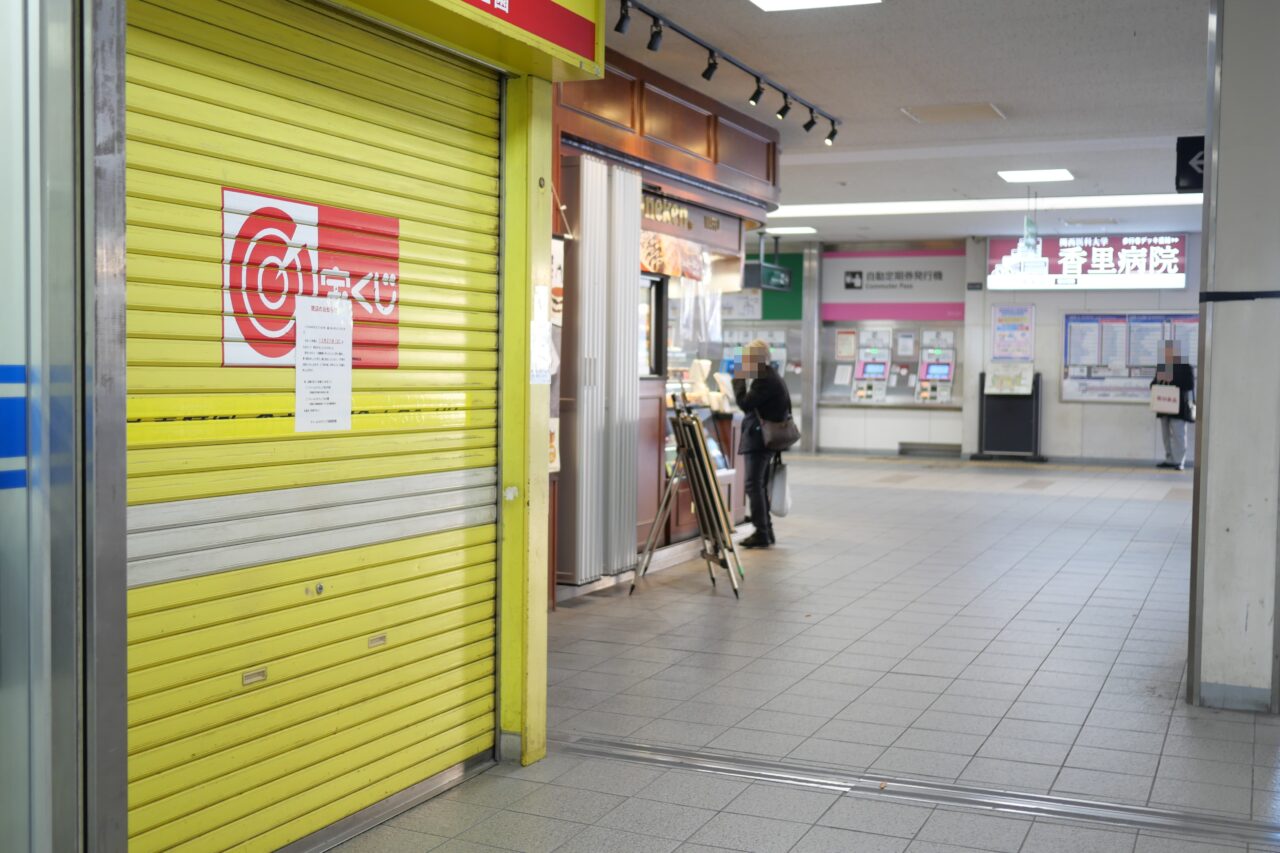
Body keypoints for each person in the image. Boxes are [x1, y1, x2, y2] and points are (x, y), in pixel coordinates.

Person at [731, 339, 790, 548]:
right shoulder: (770, 375)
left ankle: (761, 532)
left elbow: (745, 404)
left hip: (760, 440)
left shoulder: (764, 379)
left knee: (753, 485)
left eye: (746, 358)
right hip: (765, 439)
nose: (744, 362)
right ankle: (767, 530)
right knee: (759, 485)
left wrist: (737, 378)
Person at [1151, 339, 1195, 470]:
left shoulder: (1186, 366)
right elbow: (1153, 384)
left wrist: (1173, 382)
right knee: (1166, 435)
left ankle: (1179, 461)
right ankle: (1169, 459)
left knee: (1179, 435)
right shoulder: (1163, 366)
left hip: (1179, 407)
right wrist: (1157, 383)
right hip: (1163, 406)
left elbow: (1190, 385)